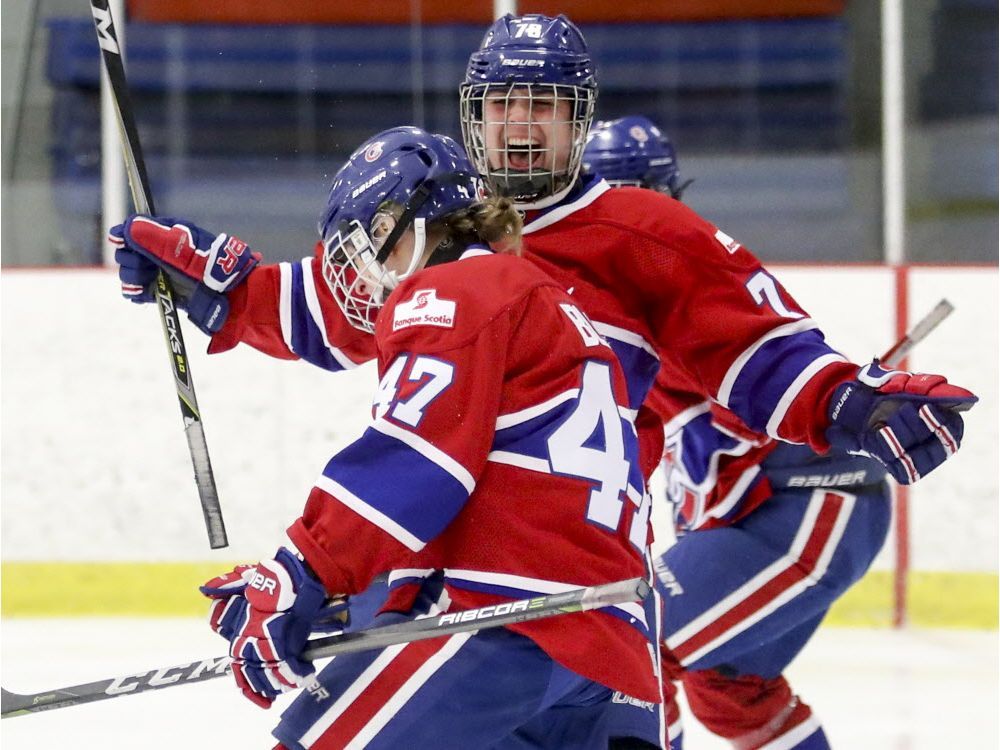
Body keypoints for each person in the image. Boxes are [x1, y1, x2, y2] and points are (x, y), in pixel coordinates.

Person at [110, 14, 977, 750]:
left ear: (580, 121)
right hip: (562, 597)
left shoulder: (635, 234)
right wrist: (217, 289)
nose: (521, 126)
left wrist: (847, 402)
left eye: (544, 107)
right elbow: (334, 302)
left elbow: (757, 350)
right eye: (501, 105)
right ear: (472, 119)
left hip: (527, 585)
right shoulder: (442, 241)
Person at [114, 126, 658, 748]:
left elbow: (418, 462)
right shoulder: (535, 300)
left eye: (371, 246)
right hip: (605, 651)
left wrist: (302, 570)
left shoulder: (455, 290)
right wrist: (347, 592)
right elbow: (499, 491)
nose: (364, 279)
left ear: (418, 223)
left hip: (505, 624)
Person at [582, 114, 899, 749]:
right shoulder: (615, 298)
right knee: (729, 687)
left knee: (635, 646)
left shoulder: (684, 283)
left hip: (811, 502)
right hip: (766, 513)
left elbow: (764, 391)